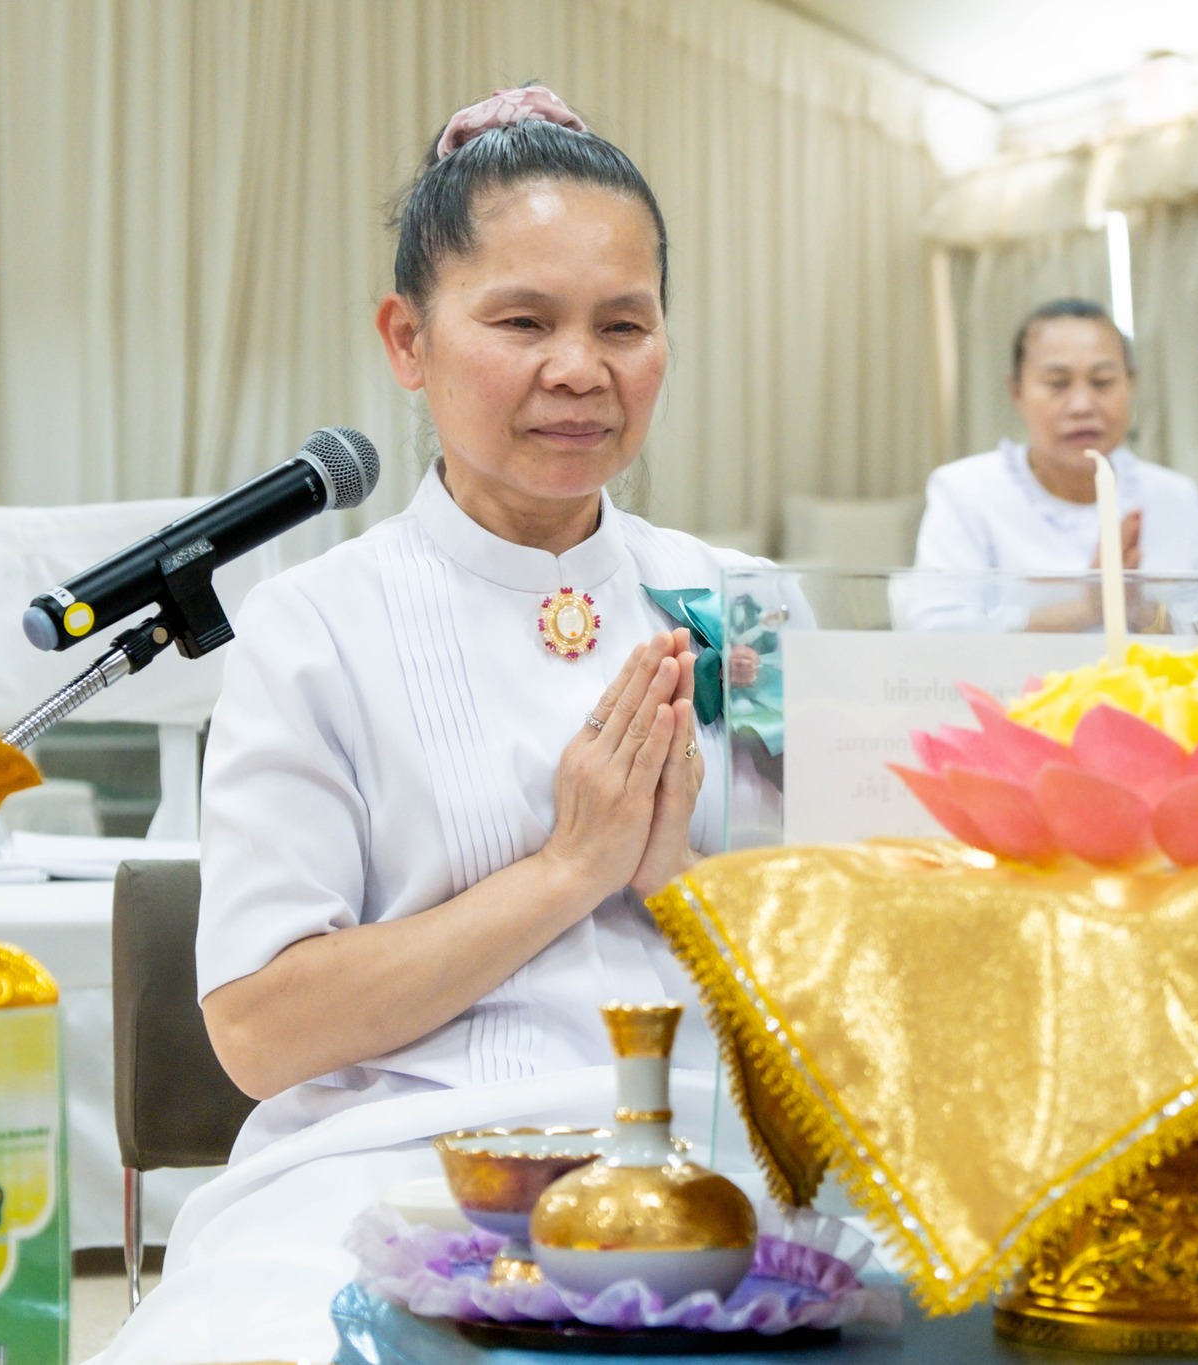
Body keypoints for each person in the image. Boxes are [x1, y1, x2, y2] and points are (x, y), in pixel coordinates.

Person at [100, 87, 765, 1362]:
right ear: (407, 340)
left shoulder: (734, 614)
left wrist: (677, 877)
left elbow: (837, 987)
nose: (579, 368)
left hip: (708, 1150)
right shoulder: (316, 625)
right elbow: (259, 1032)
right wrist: (570, 870)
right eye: (521, 321)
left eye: (622, 324)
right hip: (385, 1170)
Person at [915, 299, 1198, 579]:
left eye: (1102, 382)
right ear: (1016, 391)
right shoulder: (965, 492)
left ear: (1130, 384)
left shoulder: (1175, 497)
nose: (1082, 406)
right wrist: (1088, 605)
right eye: (1058, 384)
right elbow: (939, 626)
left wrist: (1140, 609)